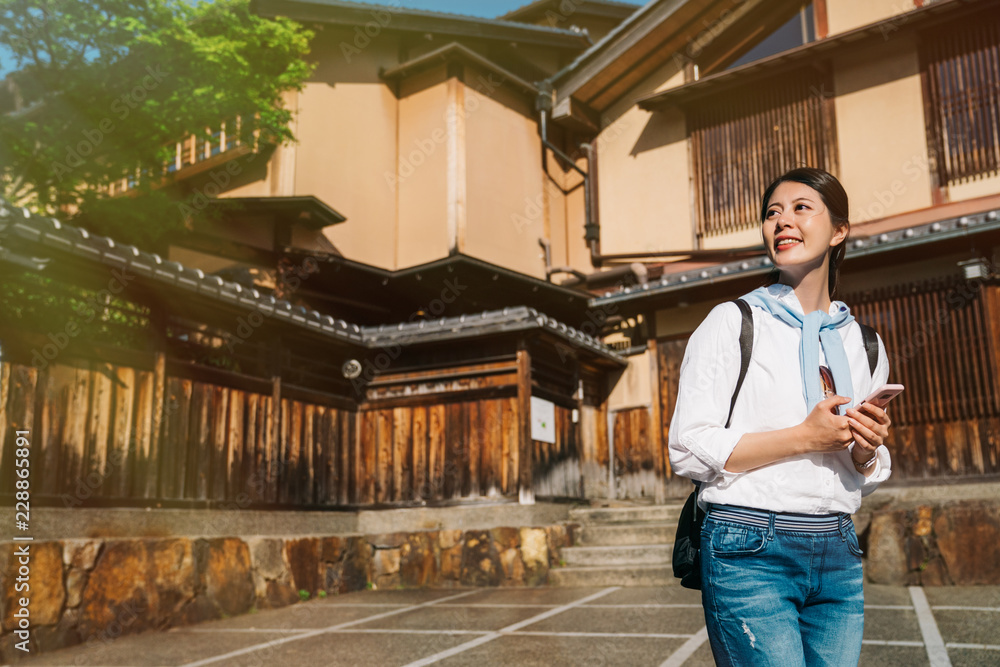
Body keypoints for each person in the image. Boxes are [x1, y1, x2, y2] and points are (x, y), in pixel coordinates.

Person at [667, 167, 893, 666]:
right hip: (749, 545)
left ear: (839, 231)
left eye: (800, 207)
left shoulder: (865, 343)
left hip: (838, 546)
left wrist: (865, 449)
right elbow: (687, 445)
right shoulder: (734, 322)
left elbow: (869, 472)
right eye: (772, 212)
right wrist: (805, 437)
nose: (782, 220)